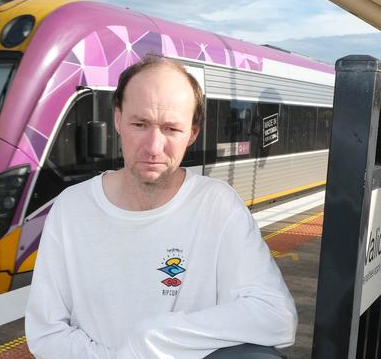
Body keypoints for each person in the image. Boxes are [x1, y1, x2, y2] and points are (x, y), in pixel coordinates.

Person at [25, 55, 297, 359]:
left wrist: (151, 339)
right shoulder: (70, 209)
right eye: (140, 124)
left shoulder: (217, 205)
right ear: (117, 119)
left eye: (171, 129)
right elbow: (46, 333)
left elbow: (276, 316)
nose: (154, 147)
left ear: (192, 133)